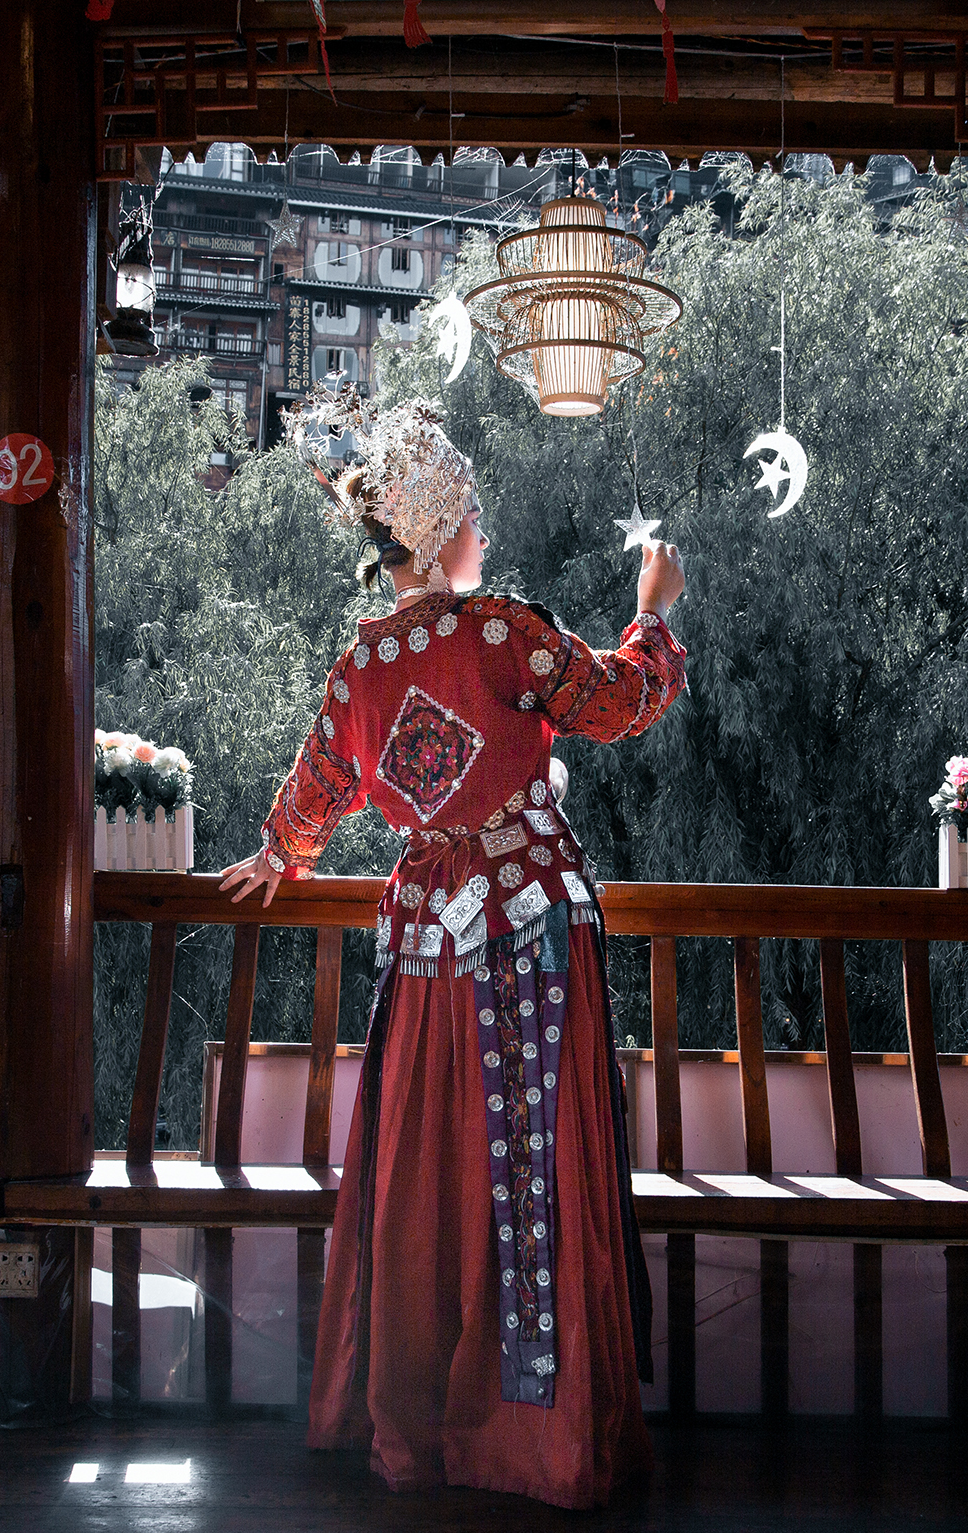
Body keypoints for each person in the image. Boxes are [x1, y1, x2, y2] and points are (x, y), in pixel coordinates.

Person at [221, 388, 687, 1508]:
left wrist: (276, 855)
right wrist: (654, 612)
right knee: (528, 1164)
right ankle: (535, 1428)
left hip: (426, 938)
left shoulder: (360, 664)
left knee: (424, 1166)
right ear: (438, 534)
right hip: (529, 926)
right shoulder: (503, 631)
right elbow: (617, 703)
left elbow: (318, 787)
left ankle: (421, 1412)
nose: (482, 529)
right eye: (470, 513)